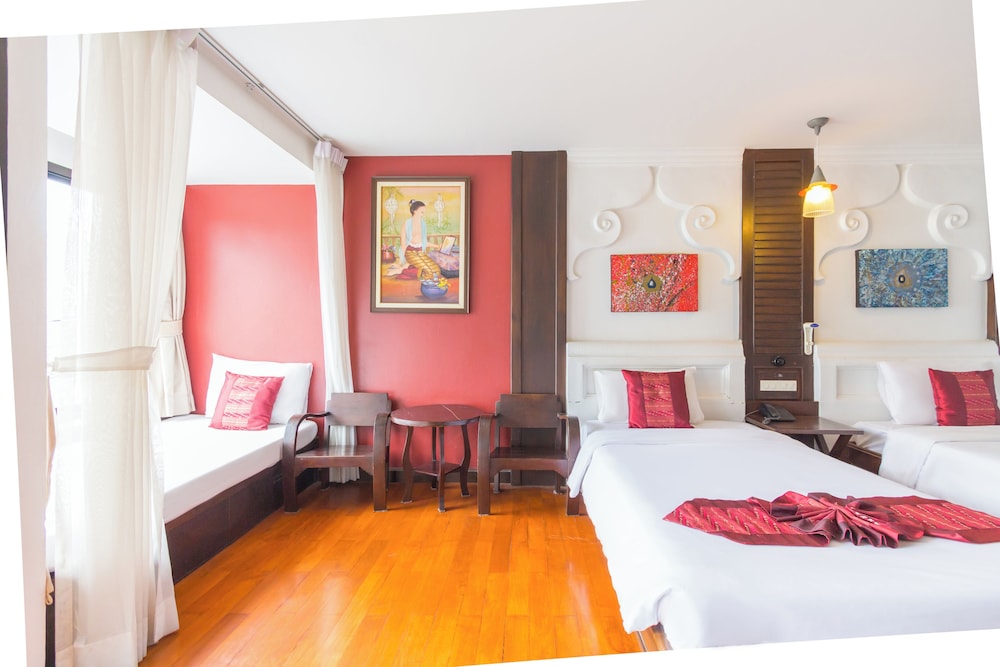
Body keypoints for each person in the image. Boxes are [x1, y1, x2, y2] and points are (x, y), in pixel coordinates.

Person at [390, 199, 442, 281]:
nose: (423, 214)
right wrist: (402, 260)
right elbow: (403, 244)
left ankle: (408, 268)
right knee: (429, 273)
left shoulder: (423, 224)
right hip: (410, 253)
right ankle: (403, 270)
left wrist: (437, 246)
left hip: (420, 252)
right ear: (414, 211)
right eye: (421, 212)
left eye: (423, 212)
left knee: (436, 270)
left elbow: (423, 242)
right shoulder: (406, 224)